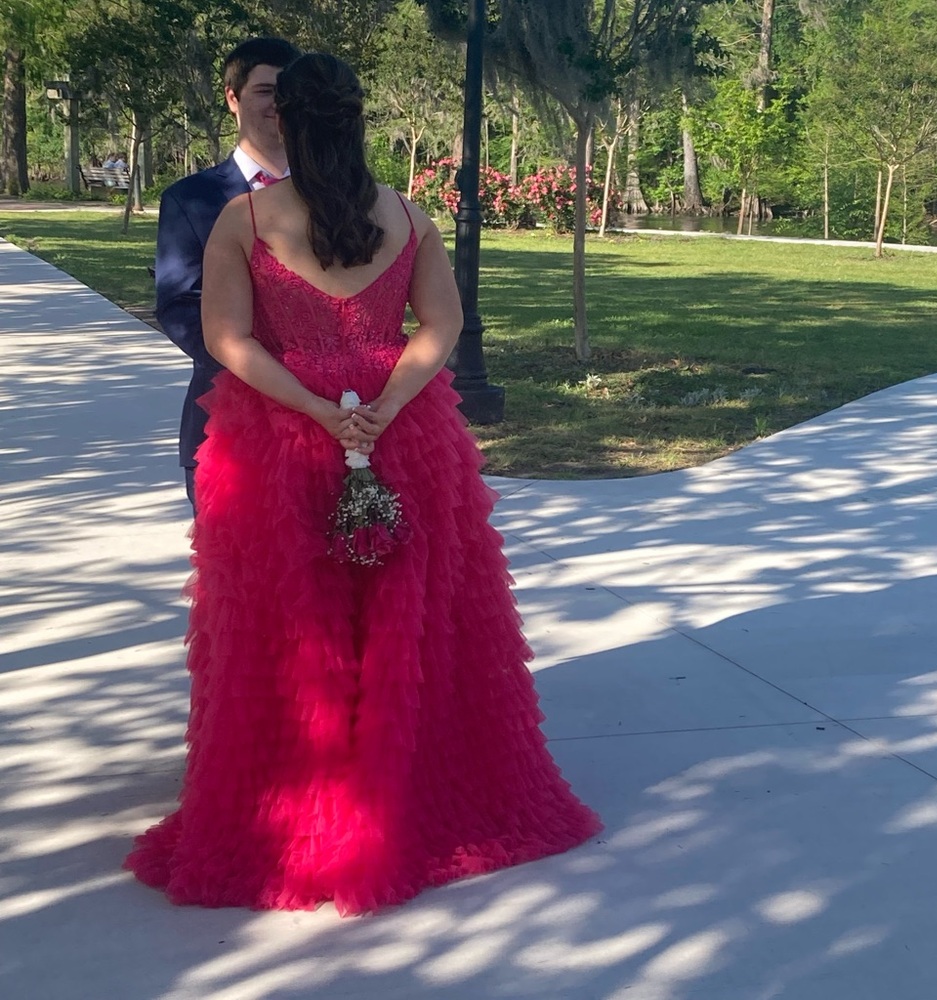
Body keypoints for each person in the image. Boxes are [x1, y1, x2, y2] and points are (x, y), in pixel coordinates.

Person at [124, 52, 601, 914]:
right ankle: (402, 792)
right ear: (356, 121)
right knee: (406, 614)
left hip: (277, 438)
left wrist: (314, 404)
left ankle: (299, 802)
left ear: (294, 122)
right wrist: (382, 407)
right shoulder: (407, 215)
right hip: (403, 433)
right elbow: (444, 323)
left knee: (285, 623)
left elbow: (228, 341)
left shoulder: (246, 218)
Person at [154, 37, 299, 508]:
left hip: (330, 421)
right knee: (236, 576)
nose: (278, 104)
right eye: (264, 91)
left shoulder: (336, 195)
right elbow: (180, 306)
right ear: (231, 98)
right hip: (227, 416)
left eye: (288, 92)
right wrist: (269, 367)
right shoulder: (191, 199)